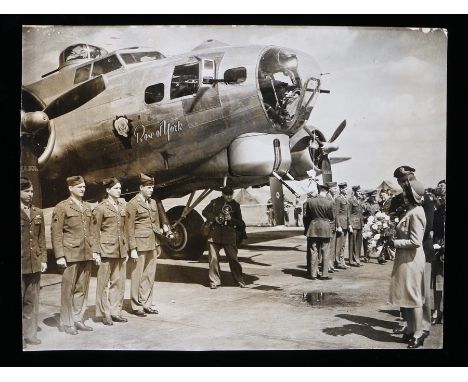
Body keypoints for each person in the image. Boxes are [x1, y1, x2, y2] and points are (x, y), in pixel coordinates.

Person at [388, 166, 427, 348]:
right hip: (405, 258)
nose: (403, 194)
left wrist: (394, 242)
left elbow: (416, 241)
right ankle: (410, 329)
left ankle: (418, 333)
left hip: (412, 258)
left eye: (406, 192)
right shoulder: (410, 211)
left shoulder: (417, 212)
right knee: (407, 297)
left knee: (414, 297)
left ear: (412, 195)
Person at [51, 175, 94, 335]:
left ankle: (78, 319)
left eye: (84, 186)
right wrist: (59, 255)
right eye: (79, 187)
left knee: (82, 288)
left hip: (86, 253)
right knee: (68, 290)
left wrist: (94, 250)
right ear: (70, 188)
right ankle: (67, 322)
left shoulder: (88, 207)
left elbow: (92, 232)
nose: (83, 189)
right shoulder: (62, 207)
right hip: (70, 254)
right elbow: (56, 233)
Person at [126, 173, 173, 316]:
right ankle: (136, 306)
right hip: (139, 245)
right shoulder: (133, 204)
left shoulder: (153, 203)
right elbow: (129, 228)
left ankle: (147, 303)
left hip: (152, 244)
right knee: (137, 275)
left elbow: (156, 225)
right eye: (148, 187)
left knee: (150, 275)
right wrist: (132, 248)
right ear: (141, 188)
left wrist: (158, 244)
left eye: (152, 187)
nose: (151, 190)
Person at [91, 177, 129, 325]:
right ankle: (104, 313)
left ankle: (115, 312)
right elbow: (94, 231)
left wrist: (125, 249)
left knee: (118, 283)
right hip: (106, 250)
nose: (119, 191)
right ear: (107, 190)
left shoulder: (122, 206)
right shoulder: (101, 208)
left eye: (120, 188)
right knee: (103, 284)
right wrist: (96, 252)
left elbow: (124, 229)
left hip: (120, 250)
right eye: (116, 188)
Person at [20, 177, 47, 347]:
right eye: (26, 191)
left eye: (31, 191)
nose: (31, 194)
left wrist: (43, 259)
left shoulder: (38, 212)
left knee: (32, 301)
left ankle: (29, 334)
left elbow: (41, 238)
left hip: (34, 263)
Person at [202, 186, 246, 289]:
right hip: (214, 234)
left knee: (233, 258)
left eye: (231, 194)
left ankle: (239, 279)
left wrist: (231, 219)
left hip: (229, 235)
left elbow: (241, 223)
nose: (229, 196)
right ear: (222, 194)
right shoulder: (215, 202)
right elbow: (205, 212)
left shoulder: (235, 205)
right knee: (213, 259)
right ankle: (214, 281)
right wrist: (215, 218)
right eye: (227, 194)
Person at [302, 183, 335, 280]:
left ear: (319, 191)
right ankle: (324, 274)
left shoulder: (310, 201)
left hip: (313, 227)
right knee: (325, 251)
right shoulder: (329, 202)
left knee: (313, 251)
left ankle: (313, 274)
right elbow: (331, 217)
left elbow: (306, 216)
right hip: (325, 227)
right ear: (327, 191)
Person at [432, 179, 445, 324]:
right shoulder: (438, 212)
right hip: (439, 250)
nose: (441, 199)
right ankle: (436, 311)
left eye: (444, 196)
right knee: (438, 282)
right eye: (440, 197)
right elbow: (433, 232)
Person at [334, 182, 351, 269]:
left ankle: (342, 261)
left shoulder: (346, 199)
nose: (347, 190)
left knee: (343, 244)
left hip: (346, 224)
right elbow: (336, 214)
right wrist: (338, 226)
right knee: (339, 244)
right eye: (345, 189)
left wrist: (349, 224)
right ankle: (338, 261)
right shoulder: (338, 199)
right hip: (341, 224)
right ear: (341, 189)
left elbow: (347, 214)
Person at [362, 190, 380, 263]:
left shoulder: (376, 204)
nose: (374, 198)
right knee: (366, 240)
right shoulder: (365, 204)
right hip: (367, 224)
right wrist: (366, 217)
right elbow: (362, 215)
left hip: (375, 224)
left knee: (376, 240)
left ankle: (378, 256)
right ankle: (366, 256)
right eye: (373, 197)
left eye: (375, 197)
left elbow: (378, 213)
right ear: (369, 197)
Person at [348, 185, 364, 267]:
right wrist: (349, 224)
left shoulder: (359, 200)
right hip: (353, 224)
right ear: (354, 192)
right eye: (358, 192)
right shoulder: (351, 201)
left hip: (360, 224)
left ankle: (357, 258)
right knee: (352, 242)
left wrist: (363, 224)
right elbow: (349, 213)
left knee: (358, 242)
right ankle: (351, 260)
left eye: (360, 191)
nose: (360, 193)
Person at [326, 181, 339, 273]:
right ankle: (327, 265)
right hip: (329, 225)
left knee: (332, 246)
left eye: (336, 188)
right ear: (329, 189)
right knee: (328, 246)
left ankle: (331, 264)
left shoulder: (332, 198)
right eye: (334, 188)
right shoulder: (327, 198)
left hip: (333, 225)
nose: (336, 190)